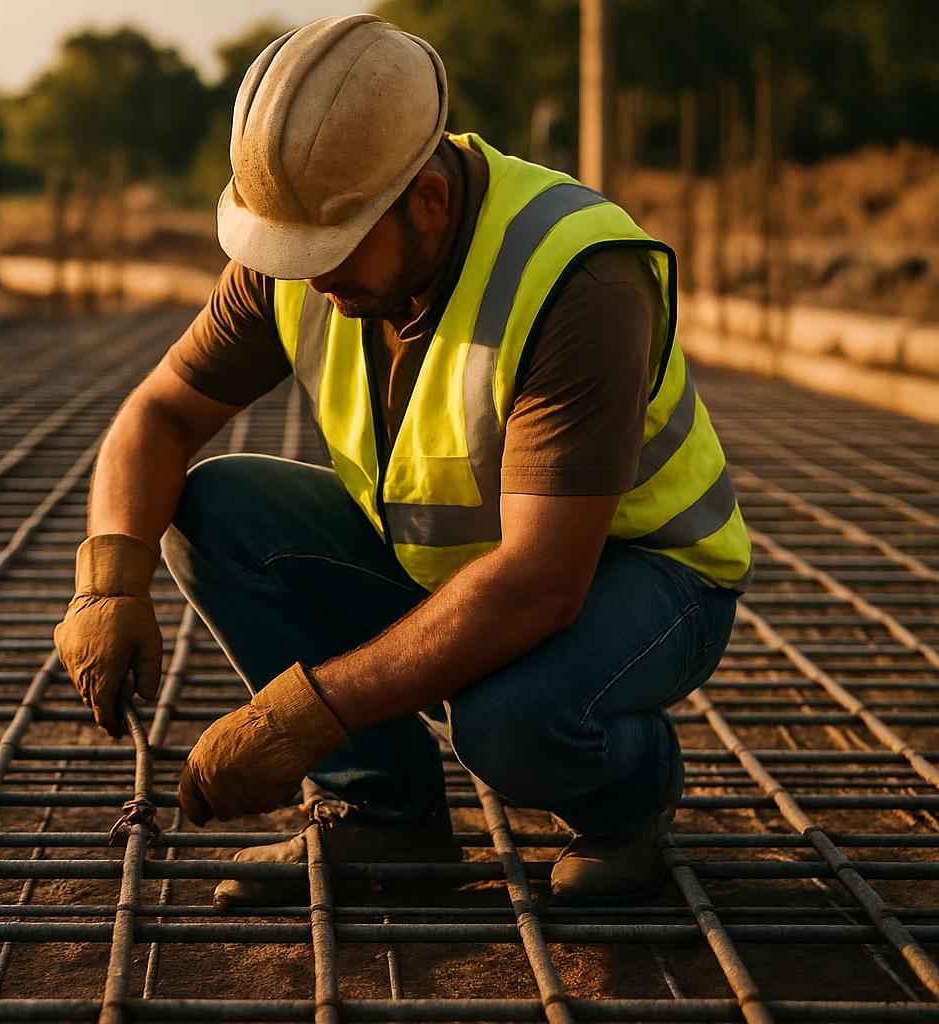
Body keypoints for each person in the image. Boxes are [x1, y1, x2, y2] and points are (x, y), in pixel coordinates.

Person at [53, 13, 750, 907]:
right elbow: (156, 415)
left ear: (427, 197)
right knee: (216, 515)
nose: (312, 281)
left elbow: (540, 583)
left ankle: (630, 800)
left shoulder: (578, 277)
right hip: (459, 567)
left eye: (331, 255)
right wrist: (107, 579)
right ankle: (386, 819)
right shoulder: (303, 238)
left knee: (509, 722)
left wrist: (301, 715)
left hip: (644, 580)